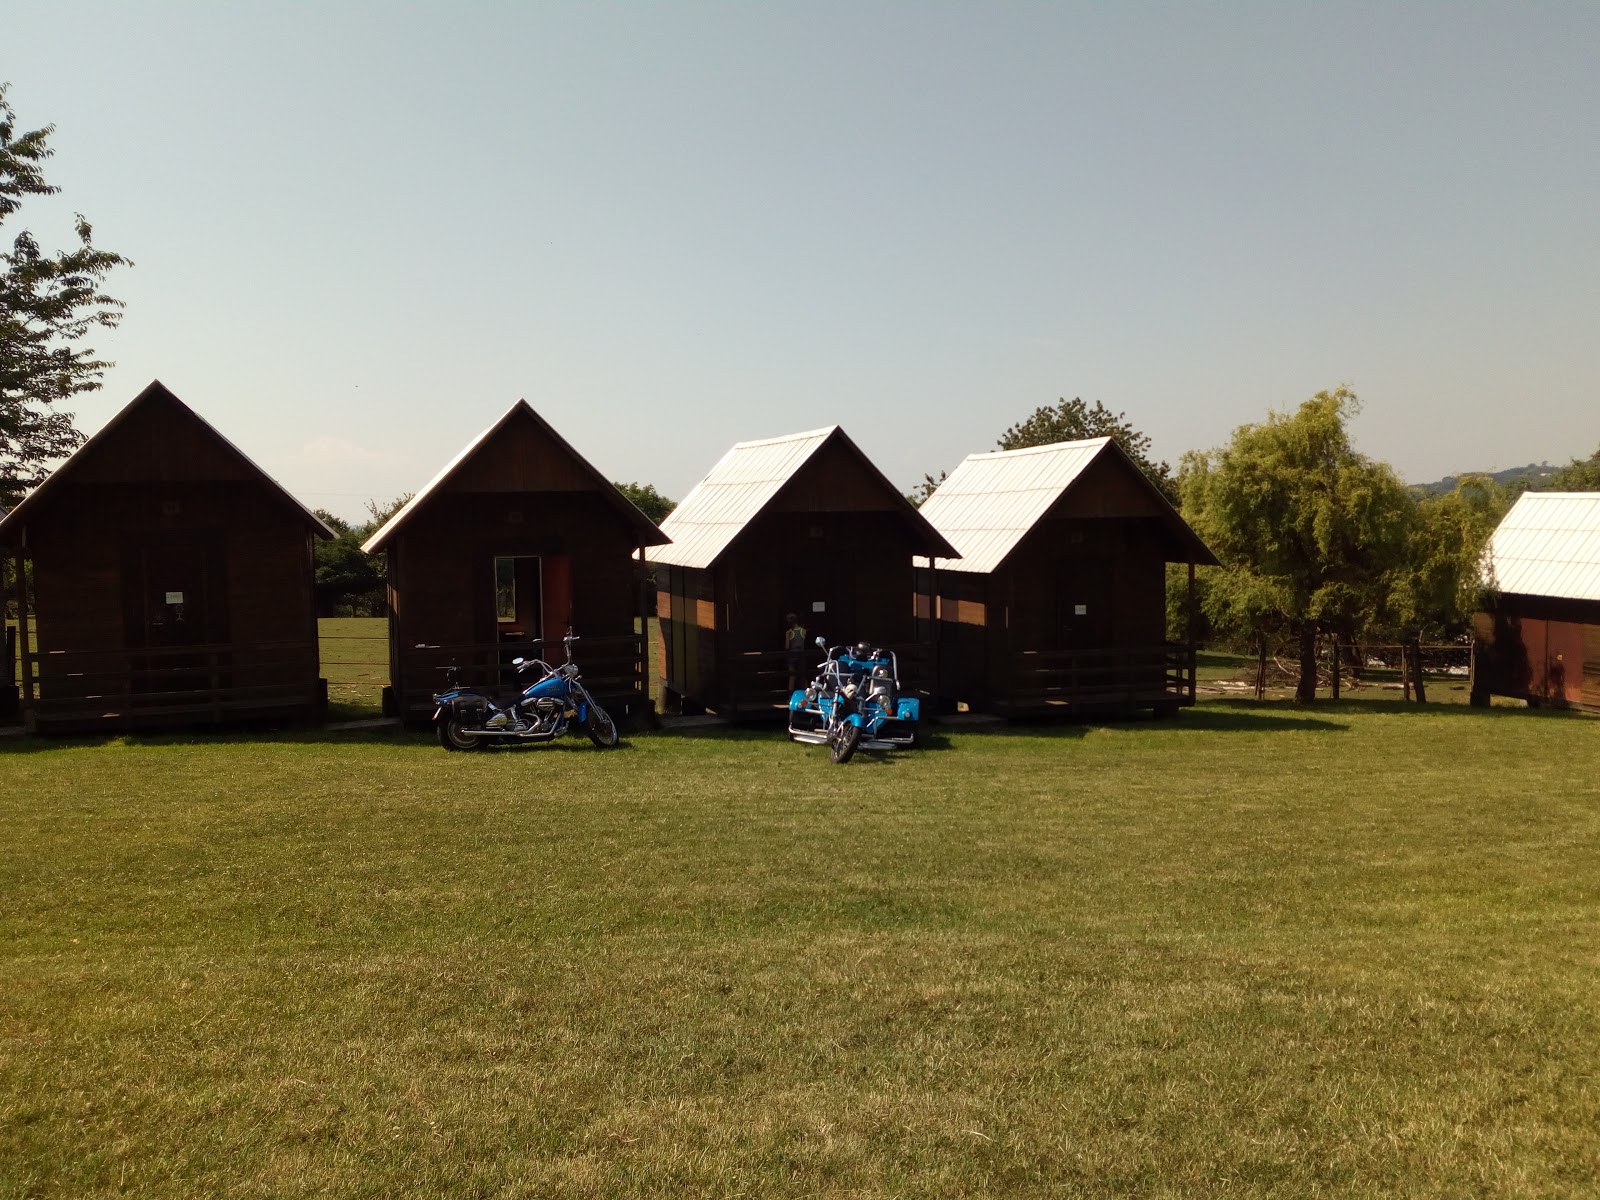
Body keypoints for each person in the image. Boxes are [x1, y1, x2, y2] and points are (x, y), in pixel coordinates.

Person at [784, 612, 809, 691]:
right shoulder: (803, 631)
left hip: (792, 656)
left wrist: (787, 637)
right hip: (801, 655)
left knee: (792, 676)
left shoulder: (789, 632)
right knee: (803, 676)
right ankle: (807, 694)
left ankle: (790, 695)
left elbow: (787, 647)